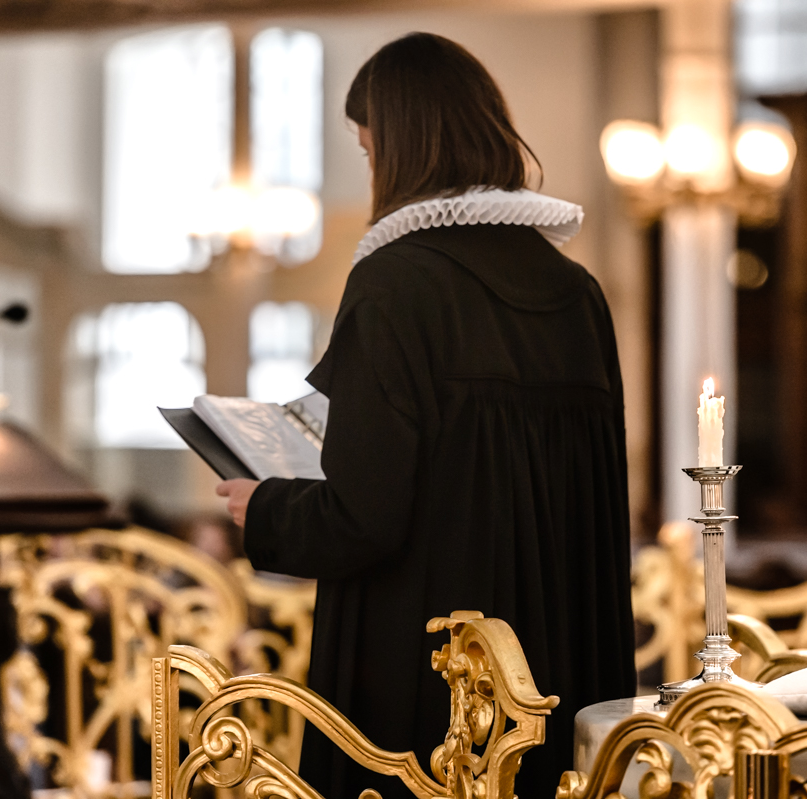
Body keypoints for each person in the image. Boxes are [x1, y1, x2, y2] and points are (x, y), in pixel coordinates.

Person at [217, 32, 635, 798]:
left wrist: (267, 506)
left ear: (404, 149)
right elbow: (601, 512)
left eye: (371, 152)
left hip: (432, 701)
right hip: (561, 679)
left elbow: (366, 514)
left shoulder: (395, 283)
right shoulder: (578, 294)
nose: (372, 170)